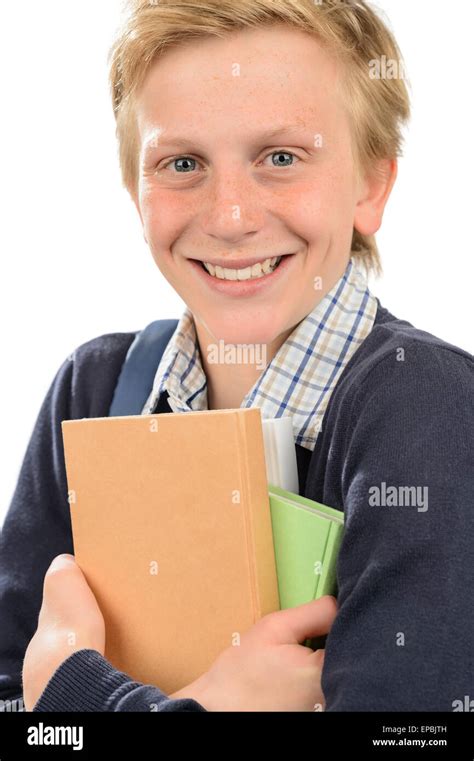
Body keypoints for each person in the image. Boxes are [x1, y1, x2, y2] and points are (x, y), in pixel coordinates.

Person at [1, 0, 473, 712]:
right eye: (182, 162)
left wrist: (76, 694)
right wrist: (209, 701)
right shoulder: (92, 391)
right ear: (136, 192)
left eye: (281, 157)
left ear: (371, 186)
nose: (230, 217)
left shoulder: (425, 406)